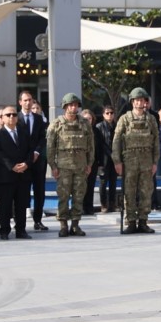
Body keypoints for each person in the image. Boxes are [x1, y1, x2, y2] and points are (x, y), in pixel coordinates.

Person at [47, 93, 95, 237]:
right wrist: (53, 166)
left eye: (76, 105)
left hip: (80, 166)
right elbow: (50, 147)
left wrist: (89, 163)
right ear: (65, 107)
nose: (74, 108)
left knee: (79, 196)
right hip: (63, 167)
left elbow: (91, 146)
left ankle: (75, 224)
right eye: (71, 105)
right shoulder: (56, 124)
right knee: (63, 196)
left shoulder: (85, 124)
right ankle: (63, 225)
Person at [113, 87, 159, 234]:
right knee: (129, 192)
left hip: (146, 160)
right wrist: (117, 161)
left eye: (142, 100)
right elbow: (116, 141)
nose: (139, 103)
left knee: (146, 191)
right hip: (129, 160)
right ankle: (131, 221)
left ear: (145, 102)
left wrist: (155, 162)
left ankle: (143, 221)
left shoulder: (150, 119)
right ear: (132, 102)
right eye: (137, 100)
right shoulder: (124, 119)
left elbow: (156, 141)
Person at [0, 106, 32, 240]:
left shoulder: (24, 133)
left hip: (23, 174)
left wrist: (26, 163)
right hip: (5, 175)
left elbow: (30, 151)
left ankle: (21, 230)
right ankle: (4, 230)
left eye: (14, 114)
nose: (11, 117)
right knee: (5, 205)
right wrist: (12, 166)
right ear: (2, 118)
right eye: (8, 115)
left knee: (21, 205)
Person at [18, 90, 49, 231]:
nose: (28, 102)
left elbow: (42, 138)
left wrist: (37, 152)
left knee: (39, 191)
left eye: (30, 100)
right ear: (20, 102)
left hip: (37, 161)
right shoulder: (16, 118)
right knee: (22, 191)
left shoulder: (38, 119)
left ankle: (38, 220)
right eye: (25, 100)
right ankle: (20, 222)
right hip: (22, 161)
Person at [96, 105, 118, 213]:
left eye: (111, 113)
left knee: (113, 182)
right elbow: (100, 144)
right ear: (103, 115)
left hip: (115, 159)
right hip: (103, 159)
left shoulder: (117, 126)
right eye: (107, 113)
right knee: (103, 183)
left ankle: (112, 204)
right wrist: (110, 153)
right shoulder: (99, 127)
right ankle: (103, 204)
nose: (110, 115)